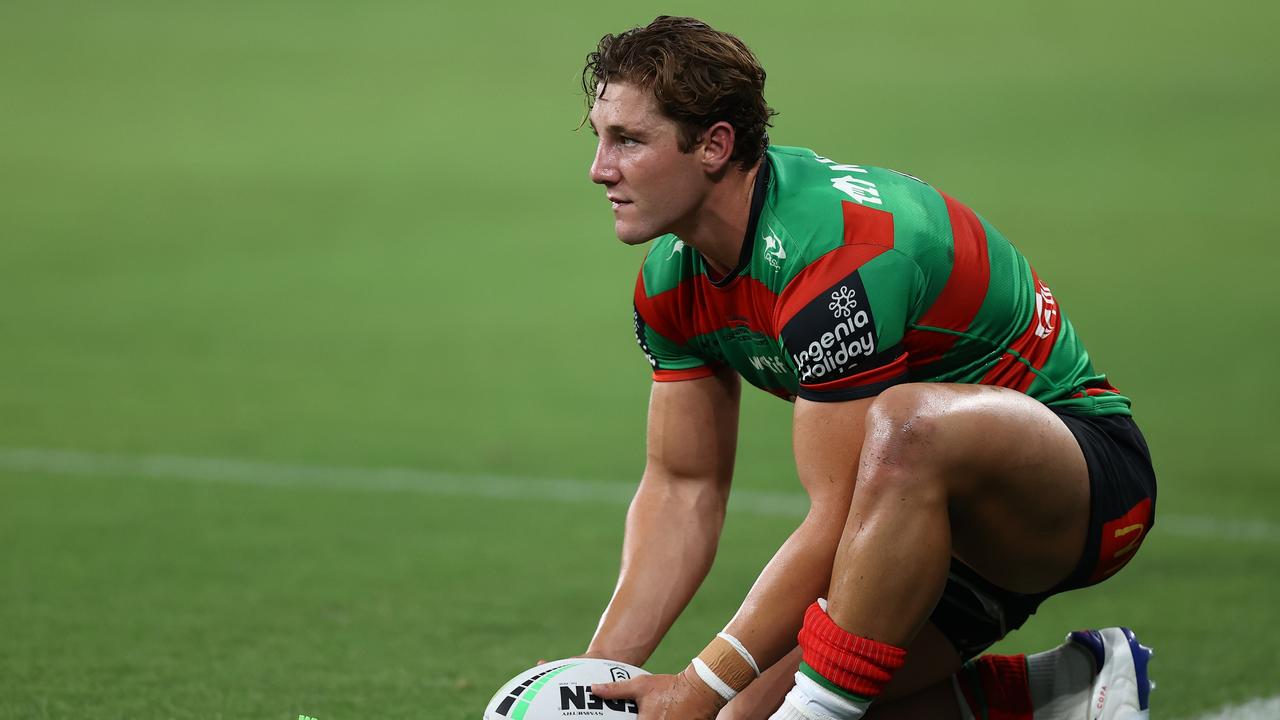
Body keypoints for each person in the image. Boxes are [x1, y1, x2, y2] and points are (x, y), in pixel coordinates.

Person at [576, 16, 1157, 720]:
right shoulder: (672, 282)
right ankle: (1068, 688)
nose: (600, 168)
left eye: (629, 140)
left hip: (1076, 485)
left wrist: (698, 686)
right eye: (600, 137)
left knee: (905, 424)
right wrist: (586, 684)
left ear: (714, 145)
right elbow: (683, 487)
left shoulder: (832, 254)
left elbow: (839, 514)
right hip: (919, 532)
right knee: (740, 717)